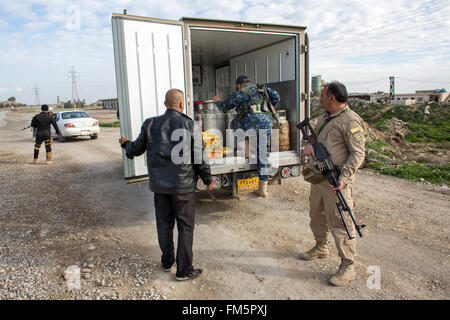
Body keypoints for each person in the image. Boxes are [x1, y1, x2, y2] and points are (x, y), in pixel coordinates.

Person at [119, 89, 214, 281]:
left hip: (160, 188)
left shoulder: (150, 123)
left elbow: (135, 149)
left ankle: (167, 261)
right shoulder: (190, 125)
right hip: (183, 187)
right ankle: (184, 270)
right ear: (181, 105)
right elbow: (199, 157)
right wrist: (207, 179)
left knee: (164, 224)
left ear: (165, 104)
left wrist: (125, 143)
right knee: (185, 227)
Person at [300, 81, 366, 286]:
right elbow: (315, 138)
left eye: (322, 95)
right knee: (316, 214)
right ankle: (321, 246)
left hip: (337, 181)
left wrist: (343, 177)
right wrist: (309, 144)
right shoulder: (324, 117)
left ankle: (348, 265)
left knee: (340, 221)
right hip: (319, 176)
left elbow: (358, 154)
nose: (319, 99)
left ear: (332, 98)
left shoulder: (350, 121)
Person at [213, 75, 280, 198]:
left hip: (251, 123)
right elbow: (276, 97)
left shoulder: (241, 92)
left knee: (233, 123)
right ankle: (263, 188)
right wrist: (266, 107)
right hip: (266, 122)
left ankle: (245, 148)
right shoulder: (262, 88)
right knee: (263, 155)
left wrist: (217, 100)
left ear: (239, 85)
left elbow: (225, 106)